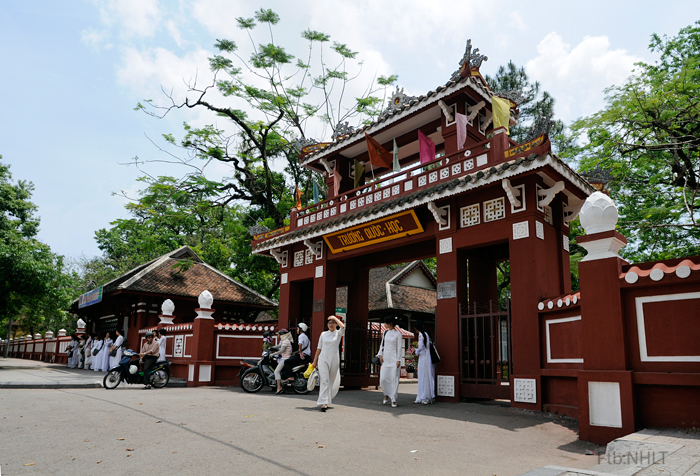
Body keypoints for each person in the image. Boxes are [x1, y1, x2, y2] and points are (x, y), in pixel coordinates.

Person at [312, 316, 345, 412]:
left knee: (330, 381)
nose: (331, 324)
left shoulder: (338, 333)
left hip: (334, 359)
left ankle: (327, 399)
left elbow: (343, 327)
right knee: (324, 380)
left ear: (336, 324)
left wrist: (335, 317)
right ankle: (323, 402)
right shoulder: (323, 334)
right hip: (323, 358)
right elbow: (319, 348)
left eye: (333, 322)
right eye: (329, 322)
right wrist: (315, 361)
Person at [377, 315, 402, 408]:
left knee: (393, 379)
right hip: (385, 359)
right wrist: (380, 354)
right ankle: (386, 394)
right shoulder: (385, 333)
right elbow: (382, 345)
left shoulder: (398, 334)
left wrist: (398, 360)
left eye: (385, 322)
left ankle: (393, 399)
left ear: (390, 323)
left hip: (394, 360)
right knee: (383, 379)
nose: (384, 324)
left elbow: (399, 348)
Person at [413, 321, 436, 404]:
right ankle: (424, 396)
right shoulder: (426, 334)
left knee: (423, 376)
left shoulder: (421, 335)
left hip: (423, 357)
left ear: (416, 328)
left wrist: (416, 351)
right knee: (426, 376)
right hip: (427, 356)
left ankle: (424, 397)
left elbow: (421, 346)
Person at [271, 329, 293, 395]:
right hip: (285, 358)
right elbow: (279, 346)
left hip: (285, 359)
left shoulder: (286, 341)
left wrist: (273, 354)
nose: (278, 335)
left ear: (282, 334)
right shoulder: (285, 341)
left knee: (276, 371)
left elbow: (282, 350)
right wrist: (271, 348)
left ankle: (279, 387)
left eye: (279, 334)